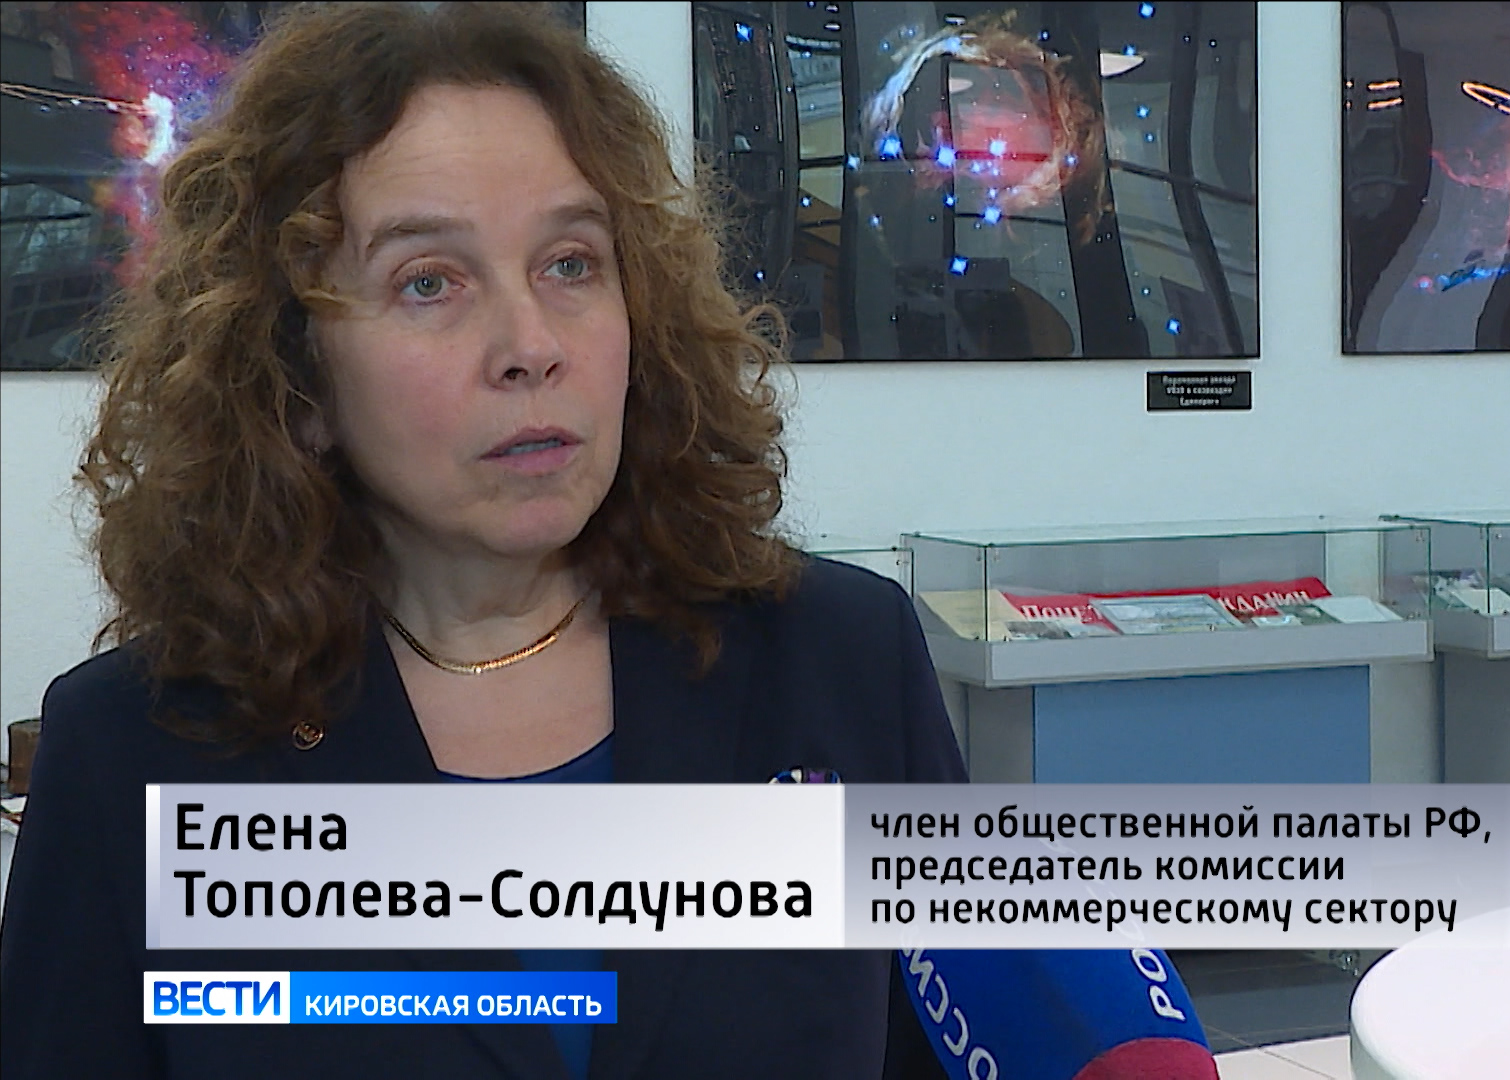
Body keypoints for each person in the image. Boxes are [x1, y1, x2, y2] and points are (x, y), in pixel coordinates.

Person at [0, 3, 965, 1077]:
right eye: (429, 282)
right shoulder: (133, 753)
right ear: (296, 376)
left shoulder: (846, 660)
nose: (530, 345)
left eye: (571, 263)